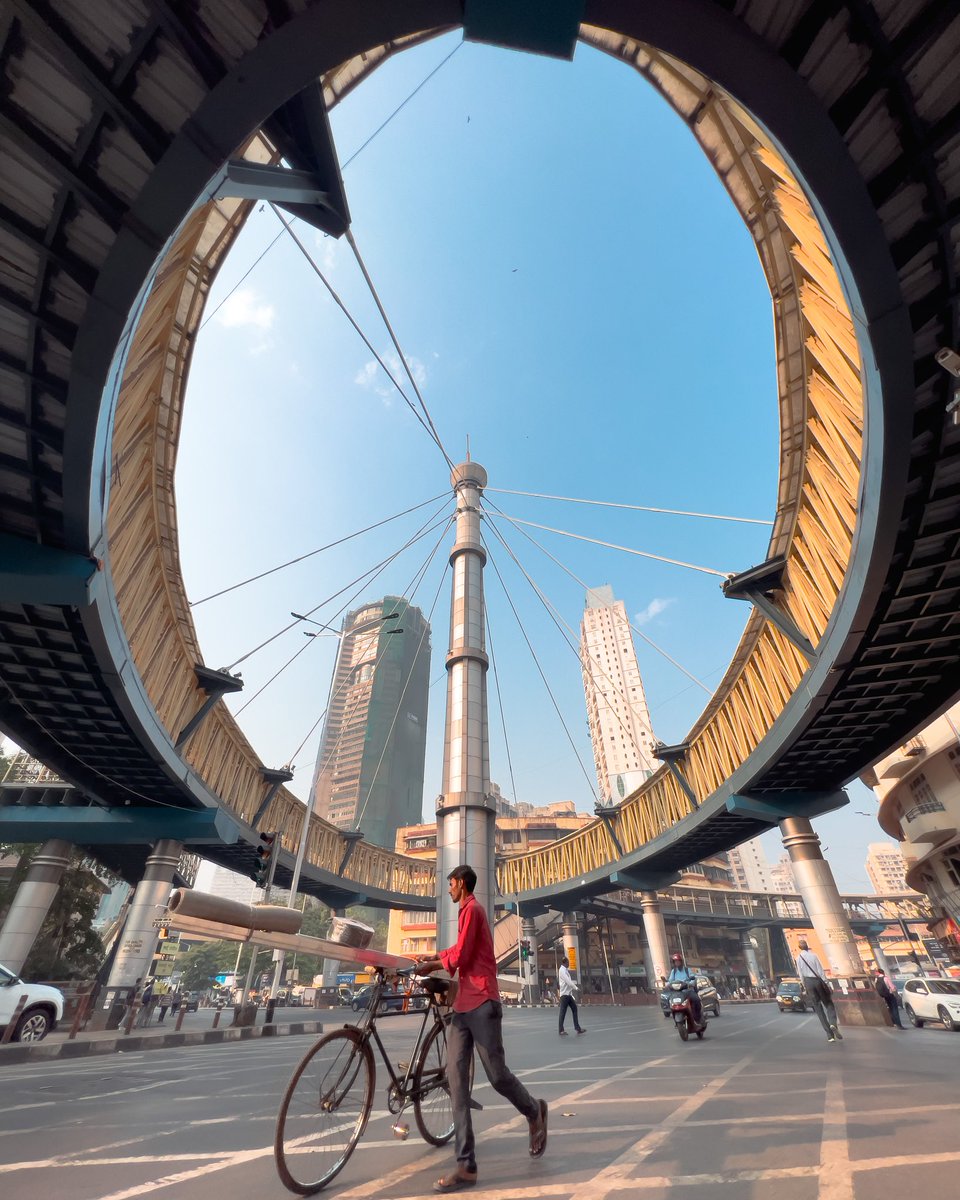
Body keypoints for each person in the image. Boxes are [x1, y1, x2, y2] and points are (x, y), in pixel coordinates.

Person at [416, 865, 548, 1194]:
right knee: (457, 1084)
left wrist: (432, 963)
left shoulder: (472, 910)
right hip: (462, 1008)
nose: (447, 890)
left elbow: (460, 955)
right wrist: (434, 957)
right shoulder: (465, 913)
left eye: (450, 884)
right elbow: (457, 950)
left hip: (483, 1003)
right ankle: (466, 1165)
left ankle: (534, 1111)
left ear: (460, 884)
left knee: (497, 1075)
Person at [795, 939, 842, 1042]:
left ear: (799, 948)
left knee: (818, 1008)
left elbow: (800, 974)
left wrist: (804, 986)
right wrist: (827, 983)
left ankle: (830, 1036)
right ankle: (833, 1024)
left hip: (808, 983)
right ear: (807, 946)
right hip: (817, 981)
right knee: (829, 1004)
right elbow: (820, 971)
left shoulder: (798, 958)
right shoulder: (814, 956)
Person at [666, 953, 703, 1026]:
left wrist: (690, 983)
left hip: (687, 990)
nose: (677, 963)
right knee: (668, 1001)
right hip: (677, 992)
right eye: (675, 961)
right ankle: (675, 1018)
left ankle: (698, 1018)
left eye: (678, 961)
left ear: (681, 962)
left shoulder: (687, 970)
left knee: (696, 1000)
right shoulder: (674, 971)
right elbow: (670, 980)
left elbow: (693, 978)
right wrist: (667, 984)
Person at [557, 954, 586, 1036]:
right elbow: (568, 982)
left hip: (568, 995)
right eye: (568, 962)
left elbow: (569, 982)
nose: (569, 964)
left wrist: (574, 987)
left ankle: (577, 1028)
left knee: (574, 1009)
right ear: (565, 962)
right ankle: (561, 1030)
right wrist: (576, 988)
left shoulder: (565, 970)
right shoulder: (562, 970)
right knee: (563, 1012)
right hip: (564, 995)